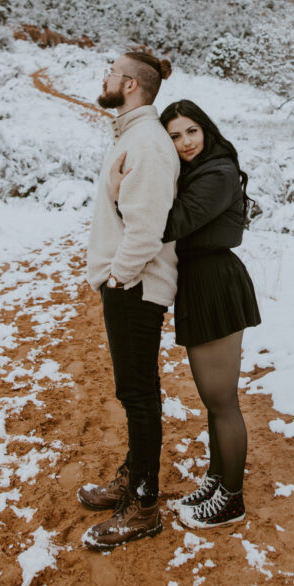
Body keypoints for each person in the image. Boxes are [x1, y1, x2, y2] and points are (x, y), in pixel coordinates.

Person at [111, 99, 261, 529]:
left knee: (222, 401)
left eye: (191, 131)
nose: (185, 142)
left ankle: (231, 499)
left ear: (206, 130)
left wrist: (127, 193)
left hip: (215, 282)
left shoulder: (218, 172)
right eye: (174, 136)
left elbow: (173, 222)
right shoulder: (199, 171)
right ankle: (217, 480)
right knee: (213, 402)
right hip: (200, 283)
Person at [79, 48, 180, 551]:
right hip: (128, 284)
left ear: (132, 85)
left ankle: (144, 505)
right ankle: (132, 477)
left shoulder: (149, 143)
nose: (105, 78)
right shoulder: (132, 135)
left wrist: (118, 279)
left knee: (139, 395)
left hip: (136, 287)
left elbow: (146, 229)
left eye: (111, 72)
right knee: (132, 392)